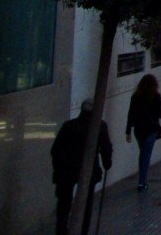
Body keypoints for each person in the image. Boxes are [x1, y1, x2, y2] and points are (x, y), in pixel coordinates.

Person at [51, 98, 112, 235]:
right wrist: (107, 163)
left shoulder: (68, 126)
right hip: (87, 170)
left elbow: (55, 149)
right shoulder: (99, 126)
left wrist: (57, 167)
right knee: (86, 203)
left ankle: (61, 230)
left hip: (65, 170)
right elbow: (106, 147)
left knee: (63, 203)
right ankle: (83, 231)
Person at [125, 74, 161, 192]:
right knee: (145, 155)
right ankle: (142, 182)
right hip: (151, 129)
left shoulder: (135, 97)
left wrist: (128, 132)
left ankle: (142, 181)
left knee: (143, 154)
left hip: (139, 130)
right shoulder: (156, 96)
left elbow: (130, 115)